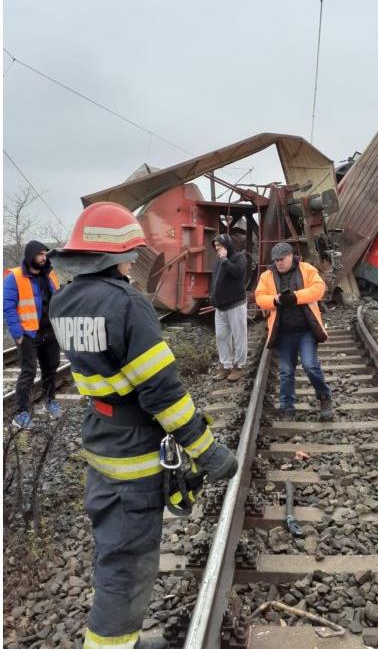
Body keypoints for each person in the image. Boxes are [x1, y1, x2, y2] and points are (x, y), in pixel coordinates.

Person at [47, 202, 237, 649]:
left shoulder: (63, 300)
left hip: (101, 441)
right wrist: (207, 451)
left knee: (112, 549)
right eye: (132, 251)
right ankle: (113, 643)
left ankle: (125, 639)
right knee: (127, 563)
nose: (134, 259)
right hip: (133, 448)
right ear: (116, 255)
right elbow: (162, 393)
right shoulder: (126, 303)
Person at [255, 242, 333, 421]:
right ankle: (287, 407)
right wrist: (275, 300)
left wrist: (296, 297)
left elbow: (319, 289)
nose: (278, 263)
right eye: (275, 261)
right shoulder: (267, 276)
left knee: (310, 366)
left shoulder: (307, 269)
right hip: (284, 332)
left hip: (306, 330)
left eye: (282, 259)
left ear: (291, 256)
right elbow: (259, 297)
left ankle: (325, 397)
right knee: (286, 371)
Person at [4, 240, 63, 428]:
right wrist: (18, 334)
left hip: (50, 331)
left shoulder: (50, 274)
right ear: (30, 256)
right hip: (28, 333)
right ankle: (21, 413)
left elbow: (59, 298)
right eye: (40, 254)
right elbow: (8, 307)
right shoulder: (15, 277)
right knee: (28, 372)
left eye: (45, 254)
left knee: (51, 368)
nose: (44, 258)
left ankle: (49, 401)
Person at [211, 234, 248, 381]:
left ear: (227, 245)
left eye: (219, 245)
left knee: (239, 336)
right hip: (220, 307)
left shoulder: (239, 257)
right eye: (215, 246)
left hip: (235, 304)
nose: (217, 248)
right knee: (221, 336)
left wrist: (225, 260)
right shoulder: (218, 261)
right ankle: (225, 366)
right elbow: (215, 280)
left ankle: (239, 366)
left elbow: (238, 273)